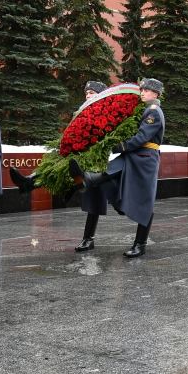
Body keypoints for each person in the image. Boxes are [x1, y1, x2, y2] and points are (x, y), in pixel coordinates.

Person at [69, 78, 165, 258]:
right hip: (135, 155)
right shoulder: (144, 110)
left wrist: (123, 146)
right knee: (110, 170)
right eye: (142, 90)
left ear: (156, 94)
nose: (142, 92)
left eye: (146, 90)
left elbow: (143, 136)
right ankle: (88, 180)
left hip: (145, 159)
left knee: (145, 202)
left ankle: (140, 244)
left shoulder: (154, 112)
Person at [9, 80, 105, 193]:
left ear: (101, 94)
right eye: (86, 93)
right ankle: (29, 181)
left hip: (93, 153)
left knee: (63, 165)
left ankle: (29, 184)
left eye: (91, 92)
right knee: (55, 161)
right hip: (78, 148)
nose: (88, 96)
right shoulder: (84, 110)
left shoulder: (105, 110)